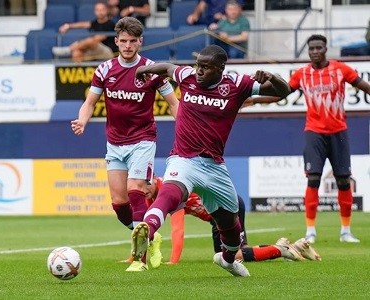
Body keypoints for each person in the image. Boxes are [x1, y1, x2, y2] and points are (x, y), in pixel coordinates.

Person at [129, 44, 291, 276]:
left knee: (231, 229)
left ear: (220, 69)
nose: (199, 71)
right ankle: (148, 230)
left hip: (214, 167)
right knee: (170, 191)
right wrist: (143, 70)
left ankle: (227, 260)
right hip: (183, 159)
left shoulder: (237, 85)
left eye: (205, 67)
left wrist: (272, 77)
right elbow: (166, 67)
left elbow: (284, 92)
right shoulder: (187, 76)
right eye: (197, 66)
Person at [70, 16, 179, 272]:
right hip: (115, 143)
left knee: (135, 190)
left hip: (142, 139)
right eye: (123, 41)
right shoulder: (105, 69)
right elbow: (90, 101)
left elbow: (174, 103)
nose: (128, 46)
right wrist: (82, 120)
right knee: (119, 204)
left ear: (140, 41)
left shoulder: (152, 69)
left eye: (132, 41)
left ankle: (139, 259)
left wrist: (187, 128)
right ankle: (148, 234)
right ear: (116, 41)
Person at [250, 34, 370, 244]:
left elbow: (364, 86)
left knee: (343, 181)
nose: (315, 51)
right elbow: (281, 95)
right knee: (313, 179)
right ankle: (310, 231)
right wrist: (253, 100)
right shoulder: (302, 74)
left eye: (318, 48)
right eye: (311, 49)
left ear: (325, 49)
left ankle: (345, 231)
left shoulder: (341, 69)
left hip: (339, 132)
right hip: (314, 132)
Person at [140, 176, 321, 264]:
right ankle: (284, 246)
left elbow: (177, 229)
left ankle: (284, 249)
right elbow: (146, 229)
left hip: (228, 209)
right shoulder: (152, 194)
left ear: (154, 179)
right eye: (138, 186)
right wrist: (135, 257)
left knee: (233, 256)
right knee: (225, 256)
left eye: (144, 184)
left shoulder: (170, 190)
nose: (142, 190)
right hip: (216, 219)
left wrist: (173, 261)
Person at [51, 2, 118, 63]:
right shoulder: (94, 23)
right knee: (76, 52)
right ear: (94, 11)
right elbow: (83, 24)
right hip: (94, 50)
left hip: (108, 52)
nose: (100, 12)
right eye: (97, 10)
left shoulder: (110, 24)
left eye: (102, 10)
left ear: (106, 10)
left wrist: (78, 44)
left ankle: (68, 50)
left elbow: (98, 38)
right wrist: (68, 26)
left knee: (92, 40)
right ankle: (79, 74)